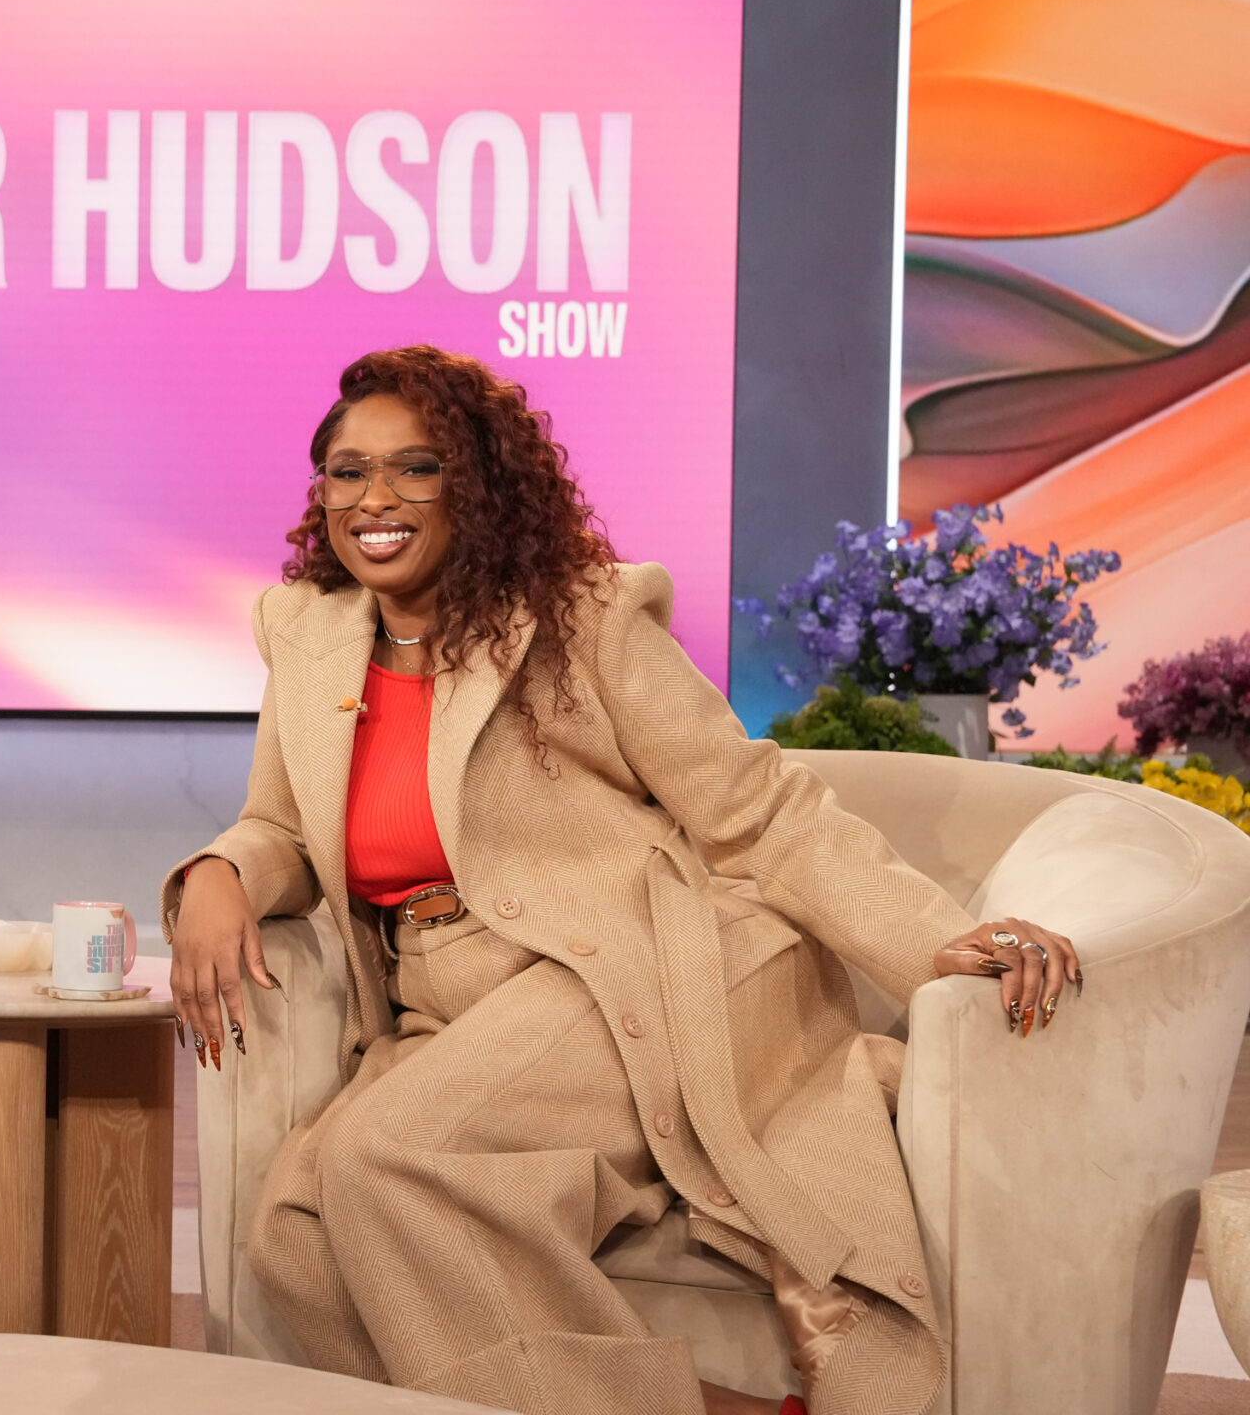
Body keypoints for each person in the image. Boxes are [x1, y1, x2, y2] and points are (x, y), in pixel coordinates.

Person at [163, 347, 1079, 1415]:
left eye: (416, 468)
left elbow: (758, 809)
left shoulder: (581, 616)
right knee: (299, 1239)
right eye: (348, 471)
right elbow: (284, 823)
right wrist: (222, 869)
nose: (375, 499)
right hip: (442, 999)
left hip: (628, 964)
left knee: (386, 1155)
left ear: (477, 484)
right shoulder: (307, 633)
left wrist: (934, 943)